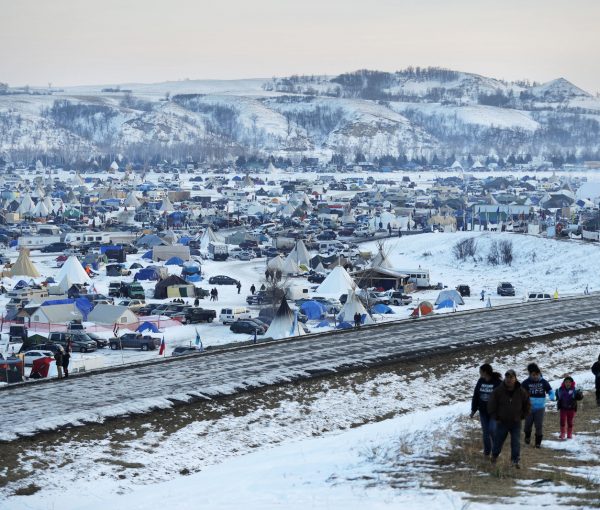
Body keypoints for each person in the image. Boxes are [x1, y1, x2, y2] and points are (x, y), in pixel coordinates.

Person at [488, 369, 530, 468]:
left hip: (516, 422)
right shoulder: (498, 391)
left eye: (511, 377)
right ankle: (494, 456)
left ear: (515, 378)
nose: (509, 379)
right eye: (507, 377)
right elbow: (491, 405)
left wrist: (523, 415)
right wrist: (495, 417)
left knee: (516, 442)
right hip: (502, 422)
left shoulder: (521, 391)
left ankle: (515, 461)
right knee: (498, 441)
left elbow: (527, 404)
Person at [470, 363, 502, 457]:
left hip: (494, 412)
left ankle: (496, 449)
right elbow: (476, 395)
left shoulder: (497, 382)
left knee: (492, 430)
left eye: (480, 371)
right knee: (485, 433)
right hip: (483, 411)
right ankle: (487, 452)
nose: (479, 373)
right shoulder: (480, 381)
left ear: (485, 372)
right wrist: (473, 410)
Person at [521, 363, 555, 448]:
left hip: (540, 408)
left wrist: (551, 395)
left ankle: (538, 443)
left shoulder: (543, 382)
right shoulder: (526, 383)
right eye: (533, 375)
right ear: (530, 374)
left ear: (539, 373)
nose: (535, 376)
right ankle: (527, 436)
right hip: (529, 408)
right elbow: (520, 392)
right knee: (527, 426)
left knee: (539, 425)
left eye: (537, 374)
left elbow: (550, 390)